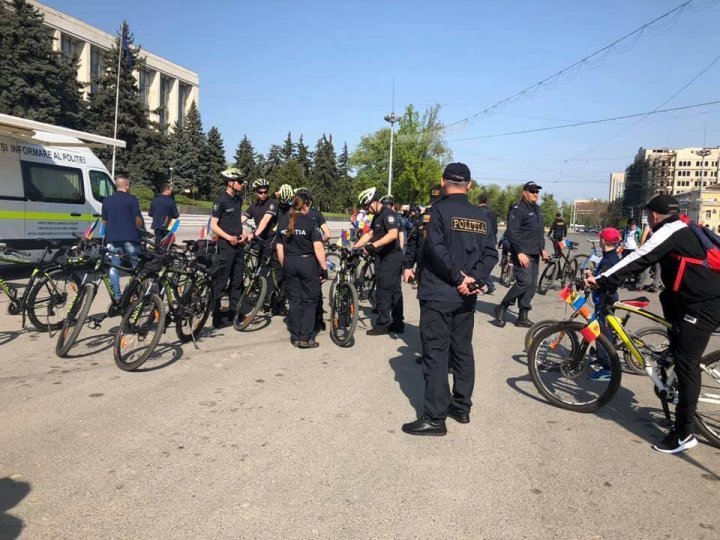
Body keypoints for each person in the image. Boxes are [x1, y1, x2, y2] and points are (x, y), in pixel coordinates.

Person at [586, 194, 720, 454]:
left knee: (687, 363)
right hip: (690, 298)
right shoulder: (683, 227)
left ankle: (684, 434)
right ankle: (673, 350)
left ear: (655, 215)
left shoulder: (670, 231)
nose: (648, 220)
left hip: (705, 303)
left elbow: (638, 258)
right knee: (666, 295)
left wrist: (601, 280)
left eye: (648, 215)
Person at [401, 163, 498, 436]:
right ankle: (461, 407)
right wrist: (474, 280)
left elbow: (435, 249)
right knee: (463, 351)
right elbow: (491, 254)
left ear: (443, 182)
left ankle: (434, 418)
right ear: (469, 185)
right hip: (465, 297)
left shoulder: (439, 211)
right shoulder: (481, 216)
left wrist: (458, 278)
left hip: (439, 294)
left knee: (436, 355)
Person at [276, 191, 328, 349]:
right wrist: (324, 268)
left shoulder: (283, 221)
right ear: (305, 205)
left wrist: (284, 265)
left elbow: (279, 247)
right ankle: (306, 337)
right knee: (309, 300)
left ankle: (295, 336)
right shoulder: (309, 222)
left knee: (294, 300)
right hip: (307, 263)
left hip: (289, 262)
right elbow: (318, 247)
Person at [493, 181, 548, 328]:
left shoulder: (537, 209)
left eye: (537, 191)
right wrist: (519, 252)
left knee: (531, 286)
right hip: (522, 253)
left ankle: (522, 317)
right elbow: (512, 232)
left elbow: (540, 232)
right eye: (532, 191)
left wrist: (542, 248)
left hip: (535, 253)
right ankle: (501, 307)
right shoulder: (518, 209)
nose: (535, 194)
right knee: (524, 283)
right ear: (524, 192)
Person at [353, 187, 404, 335]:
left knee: (383, 291)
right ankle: (398, 323)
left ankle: (383, 323)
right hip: (385, 258)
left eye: (367, 206)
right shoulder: (377, 216)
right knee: (395, 292)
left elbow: (393, 234)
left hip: (390, 259)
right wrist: (356, 246)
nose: (366, 210)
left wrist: (373, 246)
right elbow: (370, 233)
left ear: (374, 202)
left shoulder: (389, 214)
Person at [210, 168, 249, 329]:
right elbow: (213, 225)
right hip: (226, 245)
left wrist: (243, 233)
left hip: (238, 244)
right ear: (230, 182)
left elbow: (237, 221)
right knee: (221, 280)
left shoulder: (238, 200)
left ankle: (235, 312)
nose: (242, 184)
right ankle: (216, 315)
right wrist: (228, 237)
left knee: (237, 281)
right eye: (239, 181)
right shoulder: (221, 200)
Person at [585, 227, 621, 382]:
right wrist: (593, 275)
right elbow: (602, 277)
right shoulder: (609, 256)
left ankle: (608, 368)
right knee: (598, 330)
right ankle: (601, 358)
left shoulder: (609, 260)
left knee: (602, 334)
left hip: (605, 300)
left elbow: (605, 283)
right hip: (604, 299)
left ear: (603, 241)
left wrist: (591, 282)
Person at [101, 176, 145, 300]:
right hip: (130, 237)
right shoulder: (132, 199)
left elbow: (105, 220)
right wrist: (141, 226)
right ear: (126, 186)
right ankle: (138, 294)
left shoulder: (107, 200)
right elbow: (137, 219)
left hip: (113, 239)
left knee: (115, 268)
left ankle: (117, 296)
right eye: (129, 185)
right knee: (137, 266)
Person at [294, 187, 331, 332]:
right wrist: (318, 242)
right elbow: (327, 234)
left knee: (297, 292)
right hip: (313, 257)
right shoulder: (316, 213)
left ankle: (299, 324)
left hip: (294, 256)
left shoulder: (292, 214)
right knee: (315, 291)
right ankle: (318, 320)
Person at [476, 192, 498, 294]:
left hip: (479, 239)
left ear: (478, 201)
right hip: (491, 239)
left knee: (478, 262)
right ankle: (489, 285)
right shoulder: (492, 213)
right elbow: (495, 229)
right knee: (487, 261)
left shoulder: (476, 211)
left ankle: (485, 284)